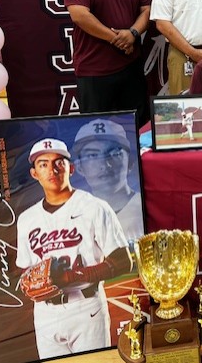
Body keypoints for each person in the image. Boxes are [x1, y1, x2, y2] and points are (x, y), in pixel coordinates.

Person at [16, 138, 132, 360]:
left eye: (59, 162)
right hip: (45, 313)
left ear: (72, 168)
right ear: (34, 174)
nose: (51, 169)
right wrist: (31, 281)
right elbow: (24, 268)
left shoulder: (95, 207)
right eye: (43, 164)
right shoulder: (26, 219)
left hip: (86, 308)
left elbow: (123, 260)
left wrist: (74, 276)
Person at [64, 0, 151, 126]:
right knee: (97, 130)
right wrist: (117, 39)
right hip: (94, 71)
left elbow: (146, 10)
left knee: (135, 126)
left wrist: (133, 33)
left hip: (131, 67)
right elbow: (79, 15)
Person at [71, 119, 144, 243]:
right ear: (79, 168)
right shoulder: (72, 215)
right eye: (92, 155)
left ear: (130, 163)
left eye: (115, 153)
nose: (104, 164)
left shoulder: (144, 207)